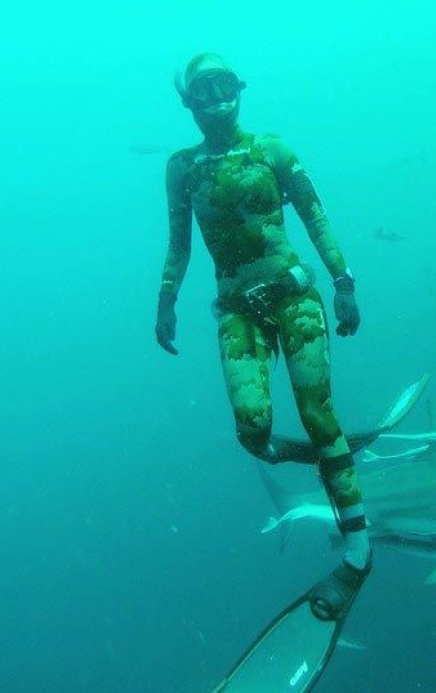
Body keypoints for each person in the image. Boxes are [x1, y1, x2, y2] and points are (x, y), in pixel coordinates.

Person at [154, 53, 371, 618]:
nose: (217, 100)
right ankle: (327, 456)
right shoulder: (183, 168)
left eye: (225, 86)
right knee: (253, 434)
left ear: (241, 91)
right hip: (236, 310)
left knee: (318, 413)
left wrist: (343, 280)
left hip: (293, 295)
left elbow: (314, 216)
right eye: (204, 92)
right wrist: (165, 299)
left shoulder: (273, 150)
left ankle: (357, 553)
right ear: (189, 104)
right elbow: (180, 242)